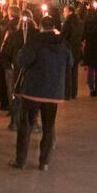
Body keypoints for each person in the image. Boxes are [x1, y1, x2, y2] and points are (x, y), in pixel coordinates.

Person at [8, 15, 72, 171]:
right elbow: (71, 61)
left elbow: (22, 61)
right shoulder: (62, 44)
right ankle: (44, 162)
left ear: (41, 27)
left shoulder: (35, 42)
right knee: (49, 127)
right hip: (53, 92)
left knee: (26, 125)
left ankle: (21, 160)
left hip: (33, 90)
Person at [82, 0, 97, 96]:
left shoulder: (88, 24)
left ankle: (91, 88)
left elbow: (83, 35)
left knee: (90, 69)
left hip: (89, 48)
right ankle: (96, 88)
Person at [61, 4, 83, 99]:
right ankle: (74, 92)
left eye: (65, 11)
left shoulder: (68, 22)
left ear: (70, 12)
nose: (63, 13)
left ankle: (67, 93)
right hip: (77, 48)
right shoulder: (79, 22)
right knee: (74, 71)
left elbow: (63, 37)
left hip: (68, 49)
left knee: (67, 71)